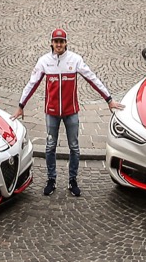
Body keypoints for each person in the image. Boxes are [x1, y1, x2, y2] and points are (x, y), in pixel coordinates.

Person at [13, 29, 121, 197]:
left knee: (74, 148)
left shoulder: (75, 60)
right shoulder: (44, 61)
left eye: (61, 42)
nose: (58, 45)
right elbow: (31, 84)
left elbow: (92, 78)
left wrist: (109, 99)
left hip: (71, 112)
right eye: (56, 41)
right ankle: (51, 180)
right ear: (51, 43)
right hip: (51, 112)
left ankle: (72, 181)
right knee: (50, 147)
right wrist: (21, 105)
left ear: (66, 43)